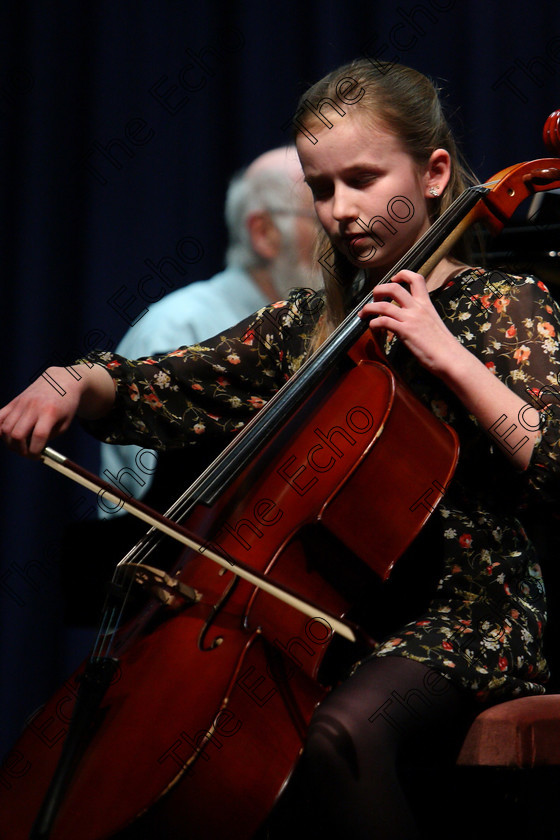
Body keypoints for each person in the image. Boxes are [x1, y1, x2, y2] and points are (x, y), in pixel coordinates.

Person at [2, 59, 560, 839]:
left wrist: (449, 355)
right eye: (323, 188)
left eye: (364, 180)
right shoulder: (311, 324)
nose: (342, 209)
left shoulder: (507, 306)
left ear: (435, 173)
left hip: (472, 612)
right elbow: (162, 385)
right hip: (341, 615)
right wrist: (72, 382)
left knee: (342, 739)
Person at [100, 144, 320, 513]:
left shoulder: (318, 324)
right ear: (264, 232)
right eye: (320, 208)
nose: (342, 223)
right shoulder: (179, 326)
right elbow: (168, 505)